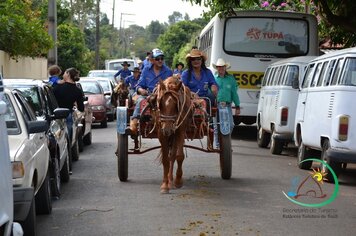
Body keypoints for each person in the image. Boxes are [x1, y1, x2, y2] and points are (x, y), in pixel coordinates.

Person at [127, 48, 173, 135]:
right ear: (152, 60)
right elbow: (139, 86)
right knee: (140, 101)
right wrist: (141, 90)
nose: (160, 60)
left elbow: (172, 87)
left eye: (161, 58)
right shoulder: (146, 70)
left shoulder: (168, 71)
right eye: (157, 59)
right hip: (148, 95)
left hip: (164, 96)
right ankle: (134, 123)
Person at [213, 58, 240, 148]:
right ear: (217, 68)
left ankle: (226, 144)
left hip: (227, 105)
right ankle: (218, 145)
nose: (220, 69)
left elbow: (234, 93)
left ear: (225, 68)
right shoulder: (213, 79)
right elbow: (210, 91)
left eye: (222, 67)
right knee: (216, 126)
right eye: (219, 67)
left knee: (231, 125)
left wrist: (237, 106)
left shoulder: (231, 79)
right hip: (216, 105)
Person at [53, 68, 84, 144]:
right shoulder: (78, 90)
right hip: (68, 114)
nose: (63, 74)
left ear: (68, 74)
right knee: (68, 138)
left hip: (55, 115)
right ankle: (69, 146)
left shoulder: (58, 87)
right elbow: (81, 108)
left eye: (64, 73)